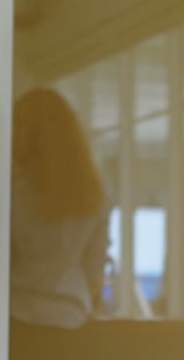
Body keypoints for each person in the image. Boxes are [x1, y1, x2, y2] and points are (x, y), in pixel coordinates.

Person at [10, 88, 110, 330]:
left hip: (15, 314)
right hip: (71, 315)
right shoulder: (93, 193)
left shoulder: (12, 192)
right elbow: (95, 267)